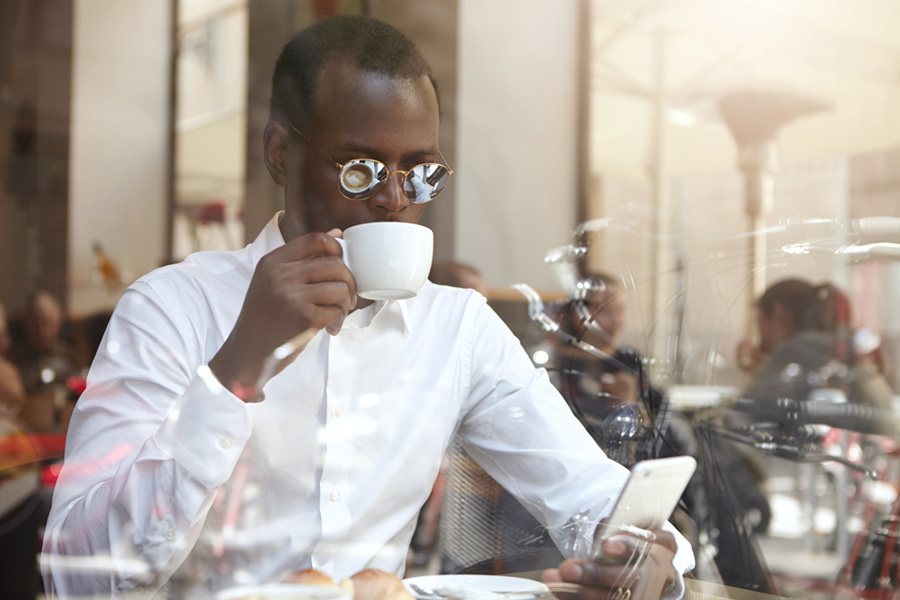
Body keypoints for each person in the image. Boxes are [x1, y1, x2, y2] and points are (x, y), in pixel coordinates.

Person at [42, 15, 693, 599]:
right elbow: (77, 573)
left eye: (420, 173)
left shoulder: (456, 327)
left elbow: (585, 494)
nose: (393, 199)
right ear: (279, 154)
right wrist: (236, 369)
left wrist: (642, 553)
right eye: (359, 169)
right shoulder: (173, 308)